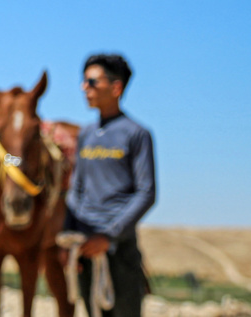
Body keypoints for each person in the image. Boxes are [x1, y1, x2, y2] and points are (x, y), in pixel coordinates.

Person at [64, 53, 157, 317]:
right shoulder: (86, 135)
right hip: (84, 249)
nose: (84, 88)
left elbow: (147, 193)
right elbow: (77, 190)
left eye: (91, 82)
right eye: (83, 81)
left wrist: (108, 236)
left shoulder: (137, 134)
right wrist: (70, 236)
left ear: (116, 87)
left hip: (119, 251)